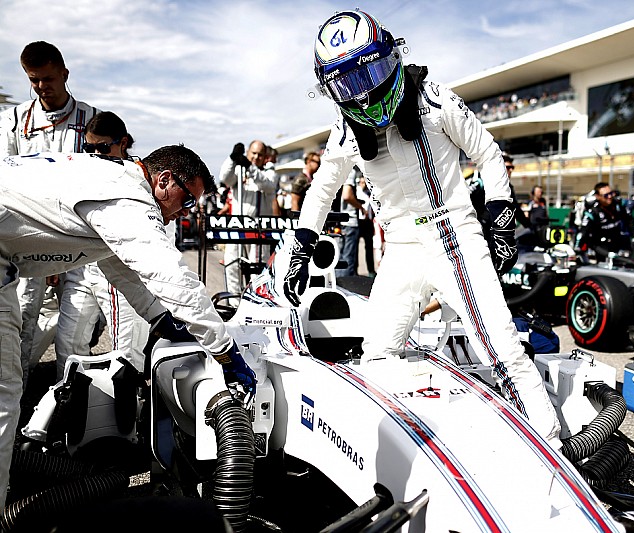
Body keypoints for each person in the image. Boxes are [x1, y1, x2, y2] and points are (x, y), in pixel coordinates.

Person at [281, 9, 560, 446]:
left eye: (369, 71)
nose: (365, 92)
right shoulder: (343, 131)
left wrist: (501, 217)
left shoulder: (434, 99)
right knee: (376, 351)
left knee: (502, 351)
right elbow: (321, 191)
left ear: (390, 57)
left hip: (455, 238)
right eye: (347, 83)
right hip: (403, 248)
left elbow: (488, 152)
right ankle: (414, 440)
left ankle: (554, 446)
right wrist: (300, 246)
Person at [0, 145, 257, 508]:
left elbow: (113, 260)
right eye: (185, 203)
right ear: (164, 179)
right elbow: (174, 278)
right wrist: (227, 353)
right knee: (3, 395)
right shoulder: (129, 197)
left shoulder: (110, 177)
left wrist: (158, 316)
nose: (180, 216)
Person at [0, 41, 99, 389]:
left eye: (48, 79)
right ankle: (16, 411)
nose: (42, 87)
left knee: (73, 341)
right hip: (26, 246)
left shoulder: (91, 119)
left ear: (64, 74)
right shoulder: (13, 120)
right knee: (19, 330)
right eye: (34, 80)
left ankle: (69, 418)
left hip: (78, 247)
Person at [54, 111, 150, 378]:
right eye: (89, 147)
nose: (95, 153)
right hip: (83, 269)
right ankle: (74, 411)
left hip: (124, 277)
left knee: (128, 356)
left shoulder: (140, 179)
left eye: (103, 147)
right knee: (68, 346)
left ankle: (130, 417)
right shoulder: (79, 173)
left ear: (123, 143)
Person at [219, 140, 278, 295]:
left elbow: (269, 185)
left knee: (257, 270)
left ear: (265, 157)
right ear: (247, 153)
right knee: (232, 266)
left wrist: (250, 168)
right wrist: (232, 159)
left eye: (260, 154)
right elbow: (225, 177)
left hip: (259, 231)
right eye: (253, 153)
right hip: (237, 228)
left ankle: (256, 303)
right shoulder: (238, 172)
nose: (256, 157)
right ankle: (233, 305)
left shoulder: (269, 173)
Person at [575, 182, 632, 262]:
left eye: (611, 193)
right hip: (601, 246)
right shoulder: (593, 212)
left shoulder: (618, 205)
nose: (609, 197)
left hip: (618, 243)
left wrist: (633, 237)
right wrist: (577, 247)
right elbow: (583, 231)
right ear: (598, 196)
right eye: (606, 195)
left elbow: (629, 220)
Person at [335, 167, 366, 277]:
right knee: (348, 258)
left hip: (339, 220)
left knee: (340, 256)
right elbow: (347, 195)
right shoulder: (350, 171)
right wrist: (360, 207)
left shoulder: (339, 170)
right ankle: (346, 286)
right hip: (349, 220)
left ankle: (339, 285)